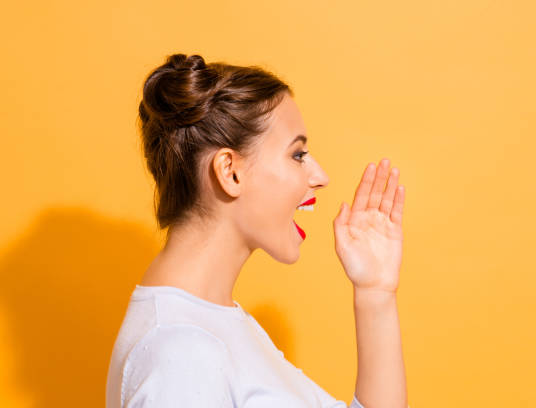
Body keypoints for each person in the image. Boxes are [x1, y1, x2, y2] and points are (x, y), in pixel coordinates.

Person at [105, 53, 408, 408]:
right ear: (230, 171)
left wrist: (375, 293)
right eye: (297, 155)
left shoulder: (216, 325)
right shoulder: (181, 353)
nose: (320, 176)